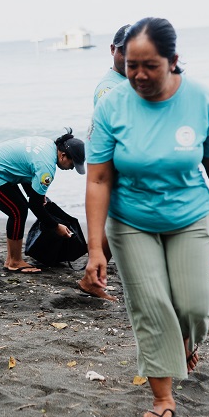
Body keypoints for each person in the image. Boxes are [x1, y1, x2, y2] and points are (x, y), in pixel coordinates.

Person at [83, 17, 209, 417]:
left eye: (148, 65)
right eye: (131, 64)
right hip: (131, 221)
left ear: (173, 60)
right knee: (152, 306)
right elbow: (98, 178)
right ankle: (163, 395)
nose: (137, 75)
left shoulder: (201, 98)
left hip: (189, 216)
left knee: (194, 305)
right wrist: (95, 247)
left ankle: (186, 341)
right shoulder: (111, 105)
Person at [0, 129, 85, 273]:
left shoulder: (48, 145)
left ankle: (11, 259)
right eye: (73, 164)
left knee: (20, 209)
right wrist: (55, 226)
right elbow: (35, 205)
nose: (72, 168)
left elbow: (25, 171)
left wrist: (36, 195)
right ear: (63, 155)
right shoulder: (47, 168)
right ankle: (15, 261)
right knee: (18, 211)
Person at [78, 24, 130, 301]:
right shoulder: (109, 88)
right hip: (112, 165)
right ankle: (93, 275)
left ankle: (92, 277)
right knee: (118, 224)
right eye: (124, 50)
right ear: (113, 50)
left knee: (117, 225)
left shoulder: (128, 82)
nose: (129, 56)